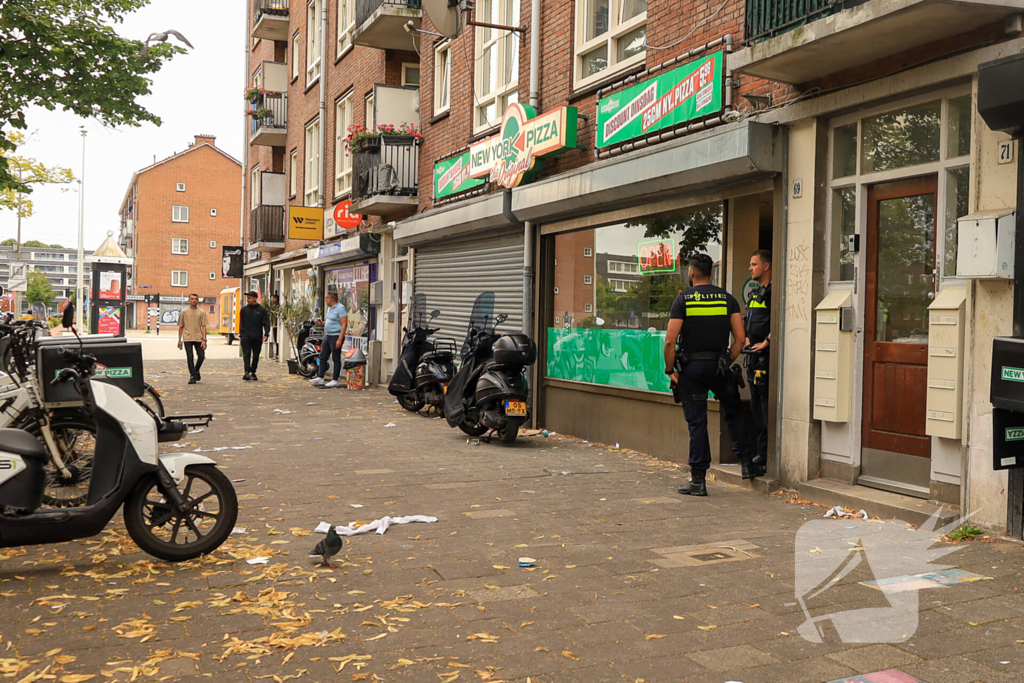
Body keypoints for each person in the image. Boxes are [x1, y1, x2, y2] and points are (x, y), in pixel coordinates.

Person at [664, 253, 765, 497]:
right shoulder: (727, 299)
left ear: (692, 272)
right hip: (719, 367)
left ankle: (698, 481)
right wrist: (725, 361)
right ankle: (747, 463)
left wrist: (671, 370)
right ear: (711, 273)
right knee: (734, 411)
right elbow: (740, 339)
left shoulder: (683, 300)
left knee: (697, 423)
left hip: (692, 370)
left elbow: (670, 342)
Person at [745, 250, 772, 467]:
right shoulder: (757, 293)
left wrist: (767, 342)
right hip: (753, 356)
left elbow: (781, 319)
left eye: (754, 264)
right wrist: (745, 338)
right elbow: (749, 320)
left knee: (764, 406)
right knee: (756, 406)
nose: (750, 268)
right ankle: (759, 453)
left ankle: (764, 455)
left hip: (765, 357)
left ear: (767, 266)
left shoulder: (773, 292)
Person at [309, 291, 348, 388]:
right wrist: (322, 323)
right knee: (323, 356)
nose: (325, 300)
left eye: (326, 298)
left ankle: (335, 379)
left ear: (331, 299)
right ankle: (320, 376)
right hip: (328, 335)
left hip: (336, 335)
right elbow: (331, 320)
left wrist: (340, 339)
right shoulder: (330, 308)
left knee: (336, 358)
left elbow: (344, 324)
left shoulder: (340, 308)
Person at [177, 293, 208, 385]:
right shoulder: (184, 312)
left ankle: (196, 370)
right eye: (192, 299)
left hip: (198, 338)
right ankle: (192, 376)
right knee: (190, 357)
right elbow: (181, 327)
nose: (194, 300)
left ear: (198, 300)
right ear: (189, 300)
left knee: (201, 356)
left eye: (195, 299)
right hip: (187, 337)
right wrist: (179, 340)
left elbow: (204, 327)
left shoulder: (201, 312)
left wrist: (204, 340)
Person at [239, 291, 270, 381]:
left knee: (256, 355)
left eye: (249, 298)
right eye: (247, 298)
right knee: (246, 354)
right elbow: (242, 323)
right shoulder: (244, 310)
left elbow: (266, 323)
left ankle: (253, 371)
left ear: (255, 298)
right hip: (246, 336)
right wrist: (241, 334)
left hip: (257, 336)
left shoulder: (261, 310)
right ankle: (247, 371)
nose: (248, 300)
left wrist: (266, 334)